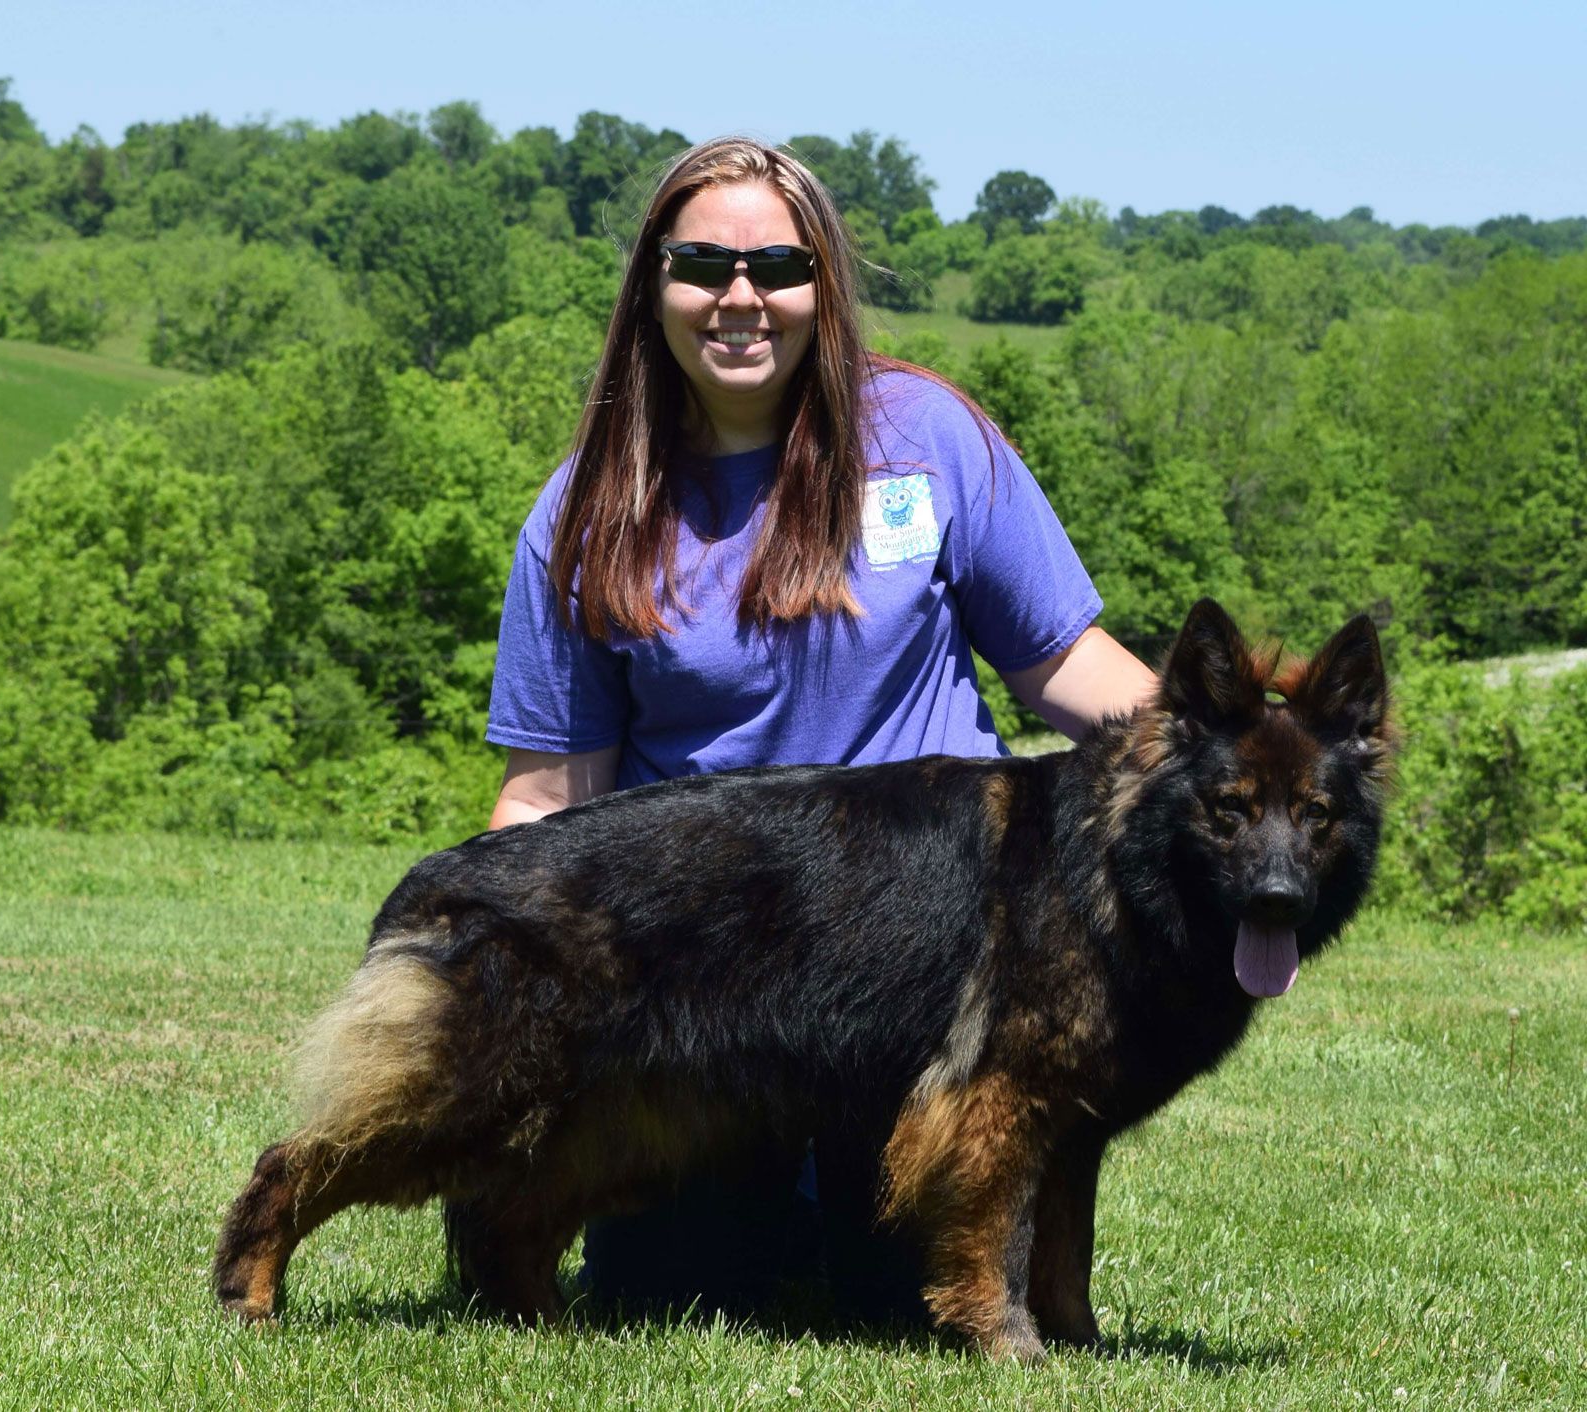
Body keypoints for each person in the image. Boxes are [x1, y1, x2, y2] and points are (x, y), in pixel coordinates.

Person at [471, 136, 1157, 1319]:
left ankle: (836, 1209)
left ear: (823, 285)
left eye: (778, 267)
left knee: (913, 1309)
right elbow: (549, 796)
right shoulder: (585, 504)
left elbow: (1061, 665)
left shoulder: (931, 438)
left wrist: (1227, 754)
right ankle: (755, 1201)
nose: (741, 298)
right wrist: (496, 998)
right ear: (654, 285)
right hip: (700, 979)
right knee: (671, 1296)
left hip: (928, 960)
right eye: (704, 264)